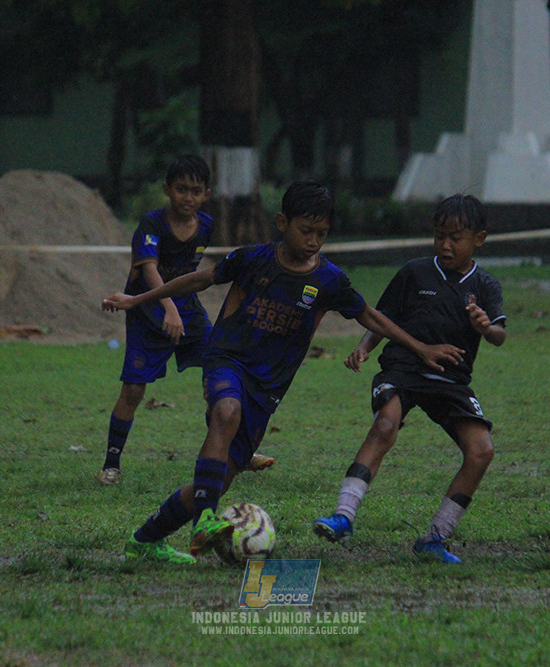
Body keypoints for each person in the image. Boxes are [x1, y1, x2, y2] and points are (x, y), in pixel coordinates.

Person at [102, 180, 460, 563]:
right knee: (226, 411)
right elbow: (200, 279)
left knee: (218, 480)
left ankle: (145, 540)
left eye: (321, 233)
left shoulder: (329, 280)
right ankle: (204, 521)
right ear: (282, 223)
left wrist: (420, 347)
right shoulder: (253, 258)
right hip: (227, 360)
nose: (313, 241)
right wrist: (138, 299)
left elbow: (370, 315)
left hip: (267, 389)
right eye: (306, 230)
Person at [313, 193, 506, 564]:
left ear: (478, 239)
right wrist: (364, 348)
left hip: (450, 381)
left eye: (455, 238)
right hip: (402, 369)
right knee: (385, 424)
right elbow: (383, 318)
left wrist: (486, 327)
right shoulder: (414, 272)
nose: (445, 245)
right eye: (439, 236)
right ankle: (343, 515)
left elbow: (499, 334)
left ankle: (435, 538)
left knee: (481, 450)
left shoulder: (485, 285)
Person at [97, 154, 273, 485]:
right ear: (167, 189)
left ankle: (238, 451)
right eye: (181, 189)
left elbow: (193, 275)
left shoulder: (205, 225)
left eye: (195, 191)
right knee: (133, 389)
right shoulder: (152, 224)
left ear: (206, 194)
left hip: (188, 312)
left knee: (222, 370)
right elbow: (149, 270)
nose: (188, 197)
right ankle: (111, 465)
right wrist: (169, 309)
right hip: (148, 312)